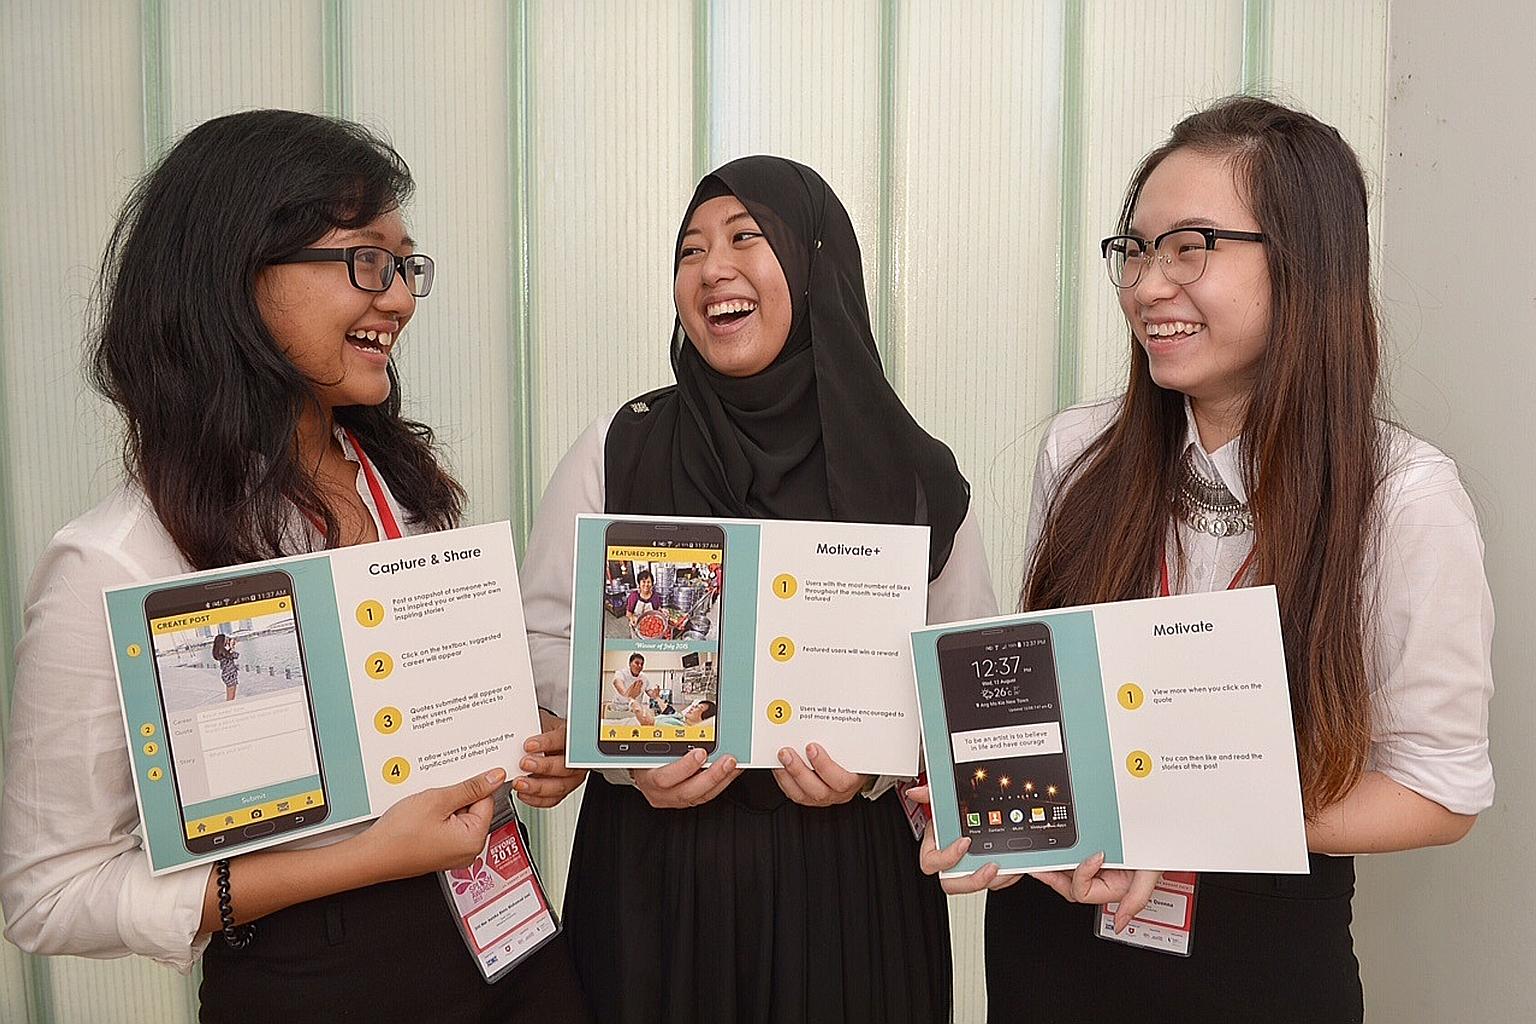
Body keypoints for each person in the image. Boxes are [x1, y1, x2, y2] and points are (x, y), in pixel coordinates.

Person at [0, 110, 589, 1024]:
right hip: (316, 989)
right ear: (235, 279)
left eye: (405, 266)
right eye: (365, 260)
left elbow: (434, 740)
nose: (398, 298)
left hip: (511, 945)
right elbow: (46, 894)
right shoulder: (117, 559)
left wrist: (529, 750)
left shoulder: (408, 497)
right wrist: (360, 859)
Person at [917, 96, 1494, 1021]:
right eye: (1136, 250)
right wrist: (981, 800)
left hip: (1257, 954)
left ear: (1304, 261)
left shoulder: (1403, 497)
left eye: (1190, 247)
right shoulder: (1079, 451)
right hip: (1059, 937)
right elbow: (1050, 705)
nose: (1147, 285)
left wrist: (1194, 813)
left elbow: (1439, 791)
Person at [520, 155, 998, 1024]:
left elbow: (966, 684)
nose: (714, 270)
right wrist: (627, 766)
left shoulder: (912, 471)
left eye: (748, 238)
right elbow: (543, 641)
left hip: (851, 899)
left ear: (817, 264)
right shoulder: (617, 448)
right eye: (690, 249)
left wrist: (882, 772)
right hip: (655, 889)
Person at [212, 632, 240, 702]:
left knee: (230, 697)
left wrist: (230, 647)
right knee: (231, 698)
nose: (227, 640)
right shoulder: (222, 651)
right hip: (229, 675)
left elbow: (229, 655)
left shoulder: (220, 651)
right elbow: (235, 655)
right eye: (226, 639)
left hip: (228, 674)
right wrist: (231, 647)